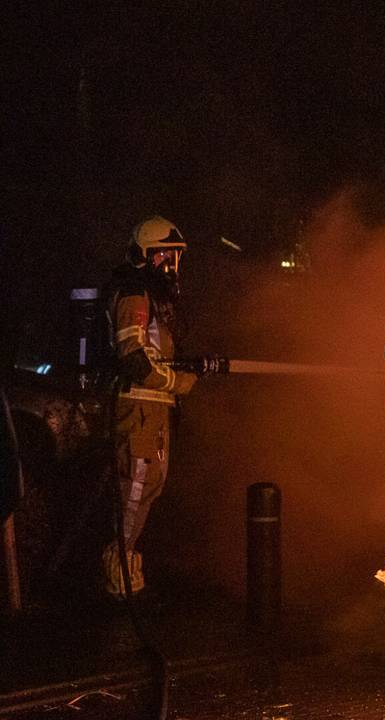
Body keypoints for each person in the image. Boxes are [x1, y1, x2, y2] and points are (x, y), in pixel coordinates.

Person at [102, 216, 199, 596]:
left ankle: (125, 568)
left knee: (149, 485)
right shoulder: (134, 293)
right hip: (138, 407)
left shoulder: (150, 295)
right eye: (165, 257)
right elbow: (134, 358)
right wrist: (178, 382)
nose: (172, 267)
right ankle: (119, 570)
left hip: (153, 409)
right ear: (145, 256)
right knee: (136, 487)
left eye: (176, 258)